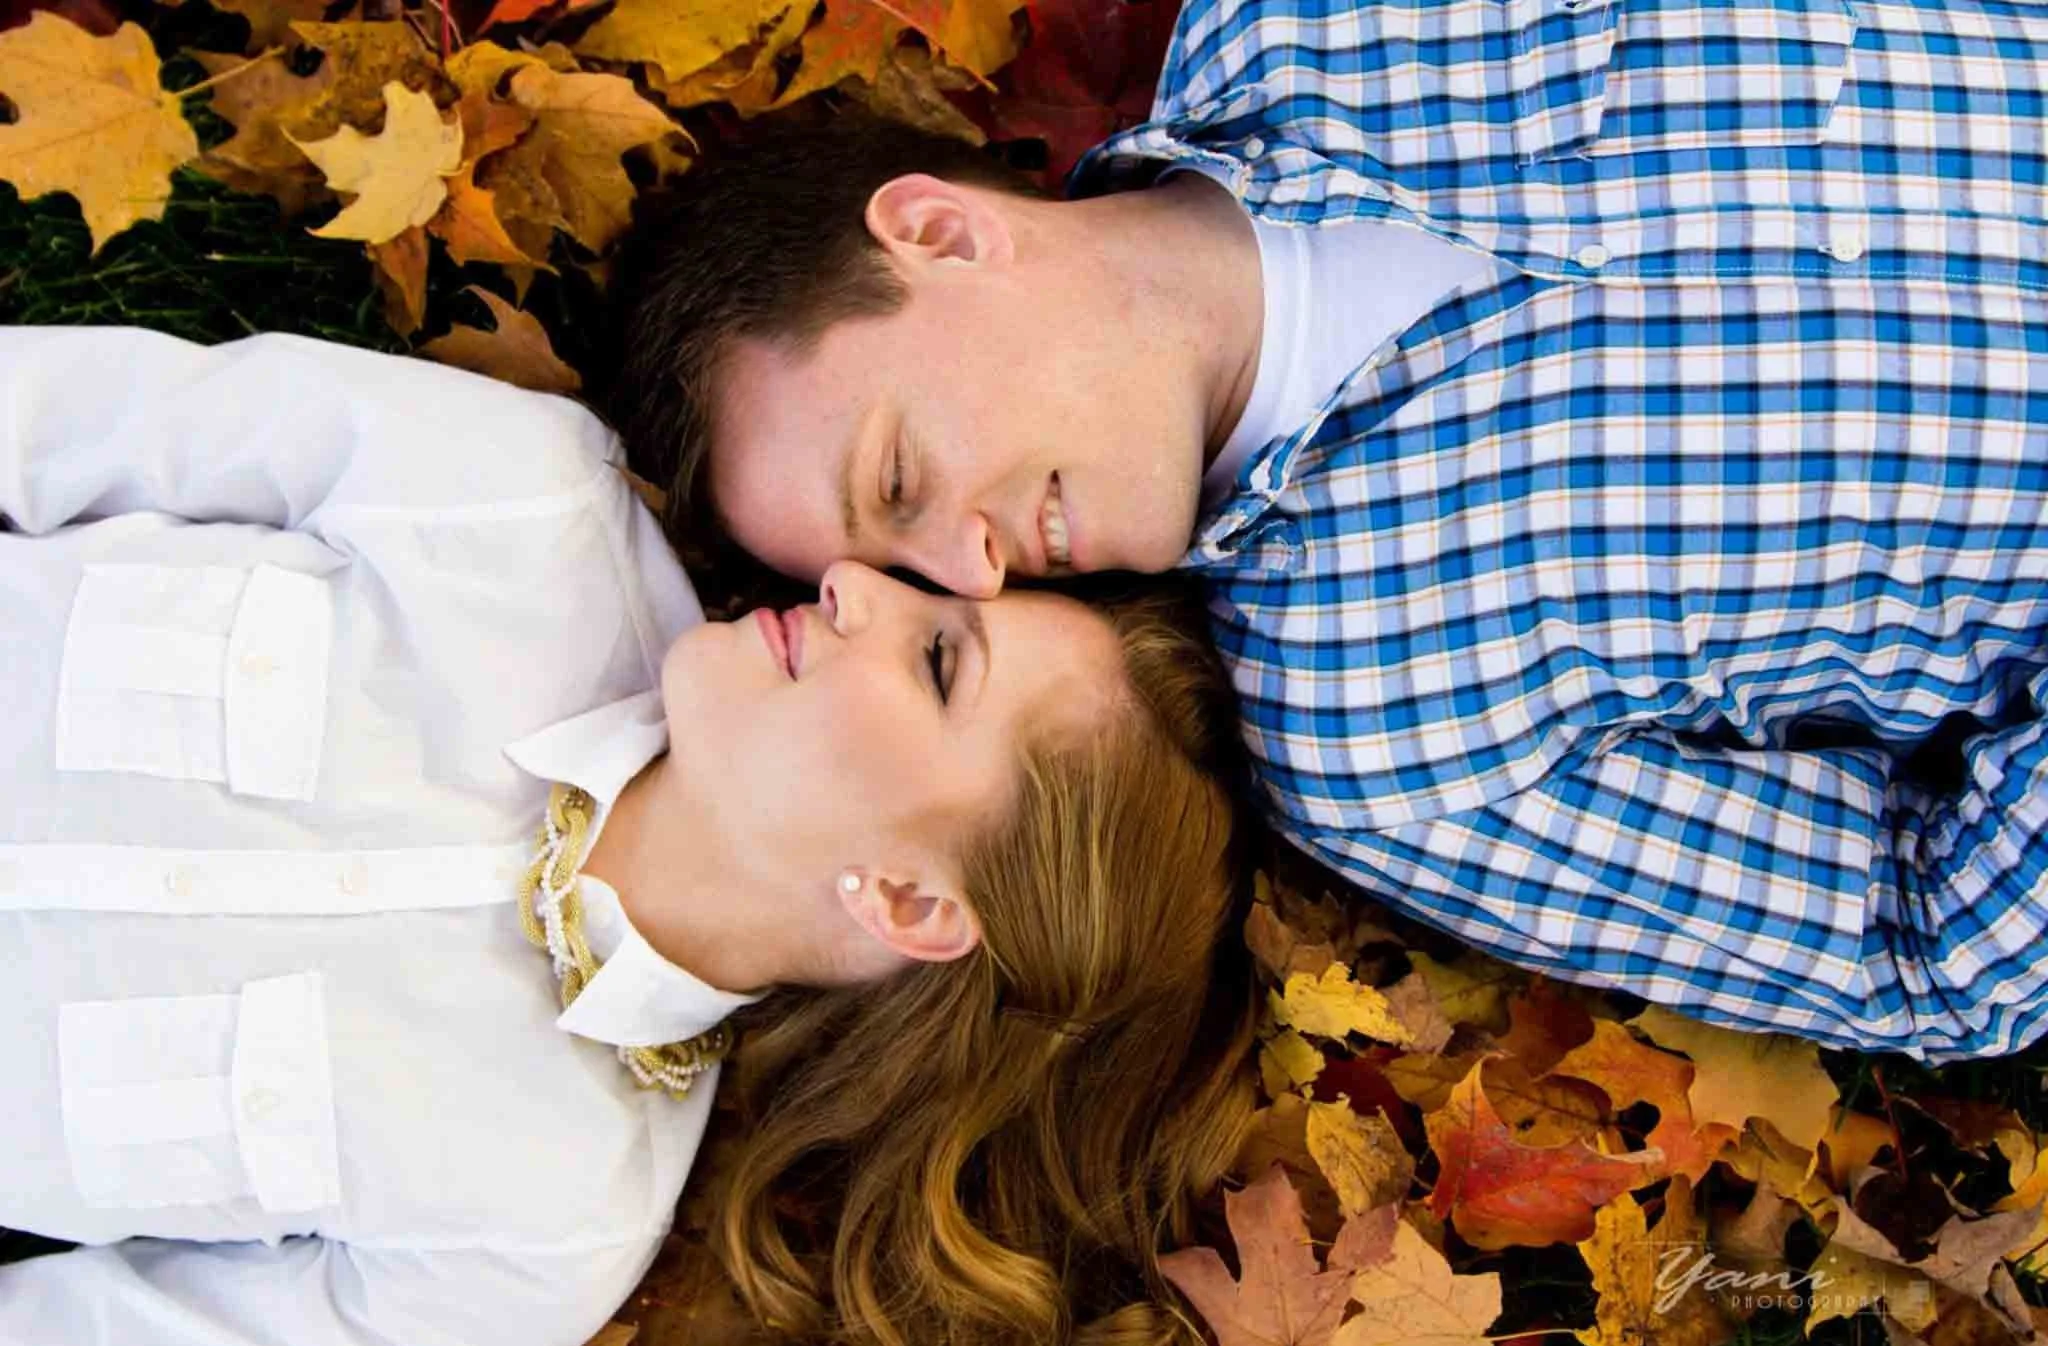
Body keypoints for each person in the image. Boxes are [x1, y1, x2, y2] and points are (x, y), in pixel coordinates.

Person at [602, 0, 2048, 1063]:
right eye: (909, 582)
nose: (976, 574)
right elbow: (1925, 949)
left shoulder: (1329, 23)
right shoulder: (1385, 730)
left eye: (904, 482)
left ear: (943, 233)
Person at [0, 327, 1261, 1346]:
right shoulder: (516, 502)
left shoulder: (539, 1234)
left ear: (909, 902)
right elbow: (46, 418)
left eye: (938, 661)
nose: (853, 589)